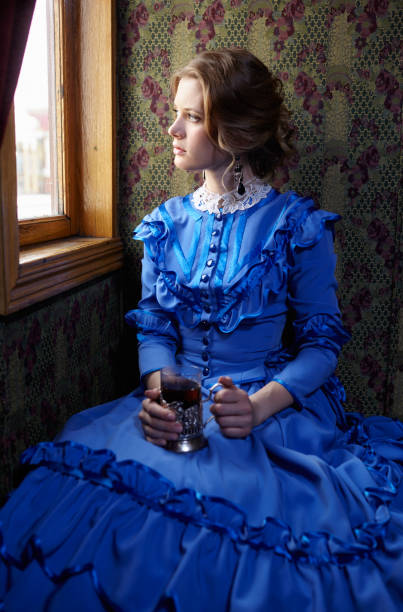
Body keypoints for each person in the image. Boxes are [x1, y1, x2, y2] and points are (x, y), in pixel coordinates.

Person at [1, 48, 402, 612]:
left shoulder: (297, 226)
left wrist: (260, 407)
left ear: (234, 132)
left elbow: (321, 344)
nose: (172, 128)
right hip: (177, 397)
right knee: (100, 490)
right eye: (176, 112)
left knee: (237, 506)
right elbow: (156, 325)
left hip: (266, 409)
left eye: (190, 117)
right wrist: (159, 387)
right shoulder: (166, 223)